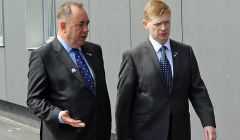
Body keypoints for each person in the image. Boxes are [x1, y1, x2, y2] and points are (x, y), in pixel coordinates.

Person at [115, 0, 216, 140]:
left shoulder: (185, 52)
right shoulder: (133, 57)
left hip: (179, 132)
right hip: (146, 133)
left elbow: (198, 90)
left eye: (167, 22)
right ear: (145, 24)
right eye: (157, 24)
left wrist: (208, 122)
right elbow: (123, 106)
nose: (164, 27)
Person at [27, 1, 111, 140]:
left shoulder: (95, 51)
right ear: (63, 26)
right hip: (64, 135)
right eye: (80, 24)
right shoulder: (43, 56)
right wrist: (59, 115)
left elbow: (101, 95)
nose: (86, 29)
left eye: (87, 24)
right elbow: (34, 99)